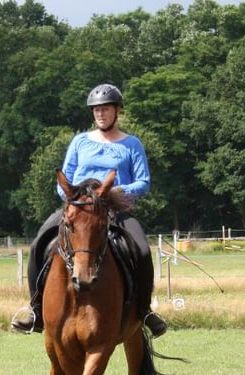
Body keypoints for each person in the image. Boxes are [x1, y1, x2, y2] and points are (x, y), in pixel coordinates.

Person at [11, 83, 167, 338]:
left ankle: (144, 310)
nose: (100, 114)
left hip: (114, 209)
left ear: (117, 111)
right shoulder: (80, 142)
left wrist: (117, 192)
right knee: (39, 243)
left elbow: (144, 182)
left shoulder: (132, 144)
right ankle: (35, 309)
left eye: (105, 109)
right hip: (79, 209)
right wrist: (72, 198)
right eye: (96, 110)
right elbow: (66, 177)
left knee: (140, 248)